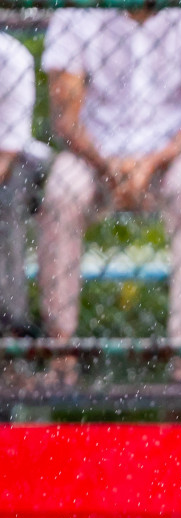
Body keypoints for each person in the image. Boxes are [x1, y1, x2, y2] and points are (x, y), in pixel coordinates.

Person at [38, 7, 181, 345]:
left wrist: (152, 161)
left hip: (175, 154)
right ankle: (60, 345)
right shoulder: (75, 15)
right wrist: (107, 163)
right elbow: (65, 120)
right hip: (94, 152)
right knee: (61, 192)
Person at [0, 31, 49, 338]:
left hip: (13, 162)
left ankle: (10, 327)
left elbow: (7, 154)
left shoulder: (10, 57)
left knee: (7, 194)